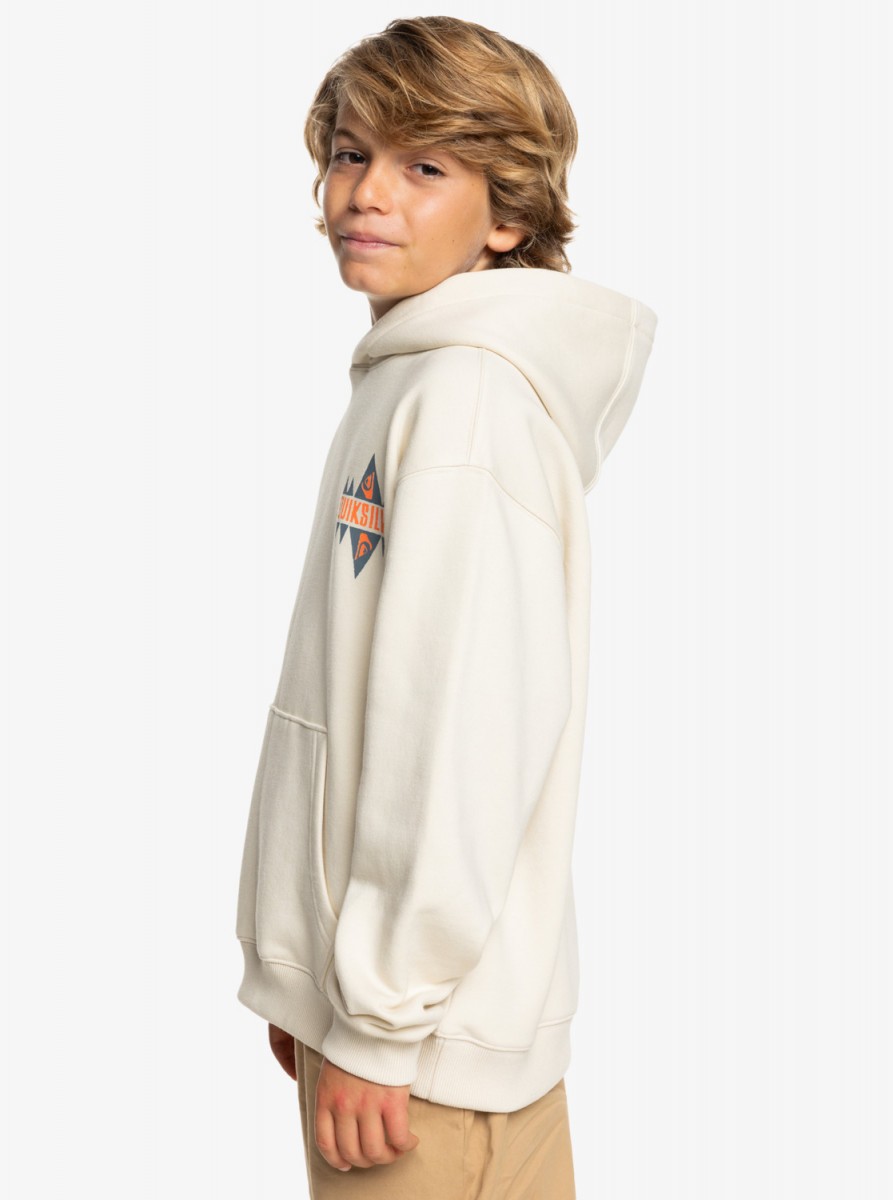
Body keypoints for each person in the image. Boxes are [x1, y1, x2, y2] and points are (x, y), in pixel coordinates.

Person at [234, 15, 658, 1197]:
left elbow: (461, 739)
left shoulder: (464, 402)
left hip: (421, 1059)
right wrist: (316, 986)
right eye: (350, 153)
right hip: (417, 1030)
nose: (366, 193)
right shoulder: (416, 376)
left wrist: (375, 1018)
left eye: (424, 166)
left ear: (506, 214)